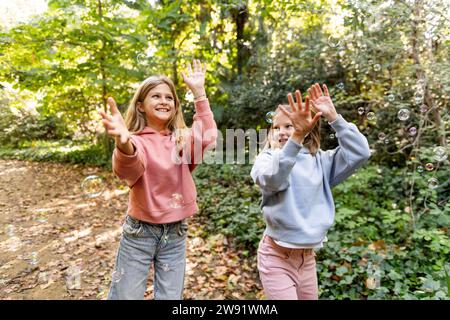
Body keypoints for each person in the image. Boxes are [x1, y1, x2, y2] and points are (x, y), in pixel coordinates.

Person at [99, 60, 217, 300]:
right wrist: (123, 143)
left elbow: (206, 137)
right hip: (140, 233)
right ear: (141, 106)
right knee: (126, 296)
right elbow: (128, 169)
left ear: (175, 106)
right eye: (156, 96)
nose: (164, 101)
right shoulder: (136, 141)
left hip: (175, 232)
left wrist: (199, 94)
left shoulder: (182, 140)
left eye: (169, 97)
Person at [250, 83, 370, 299]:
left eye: (289, 126)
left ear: (308, 128)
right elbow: (273, 180)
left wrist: (334, 117)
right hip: (276, 257)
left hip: (307, 260)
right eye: (276, 128)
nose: (282, 132)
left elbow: (361, 153)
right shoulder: (267, 159)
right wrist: (296, 138)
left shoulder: (322, 161)